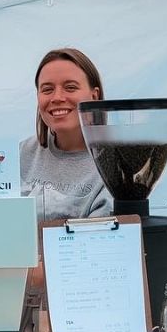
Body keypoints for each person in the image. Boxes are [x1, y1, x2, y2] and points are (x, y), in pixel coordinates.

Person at [20, 47, 112, 220]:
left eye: (70, 87)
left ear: (94, 96)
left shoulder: (116, 166)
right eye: (47, 89)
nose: (57, 98)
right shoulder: (20, 155)